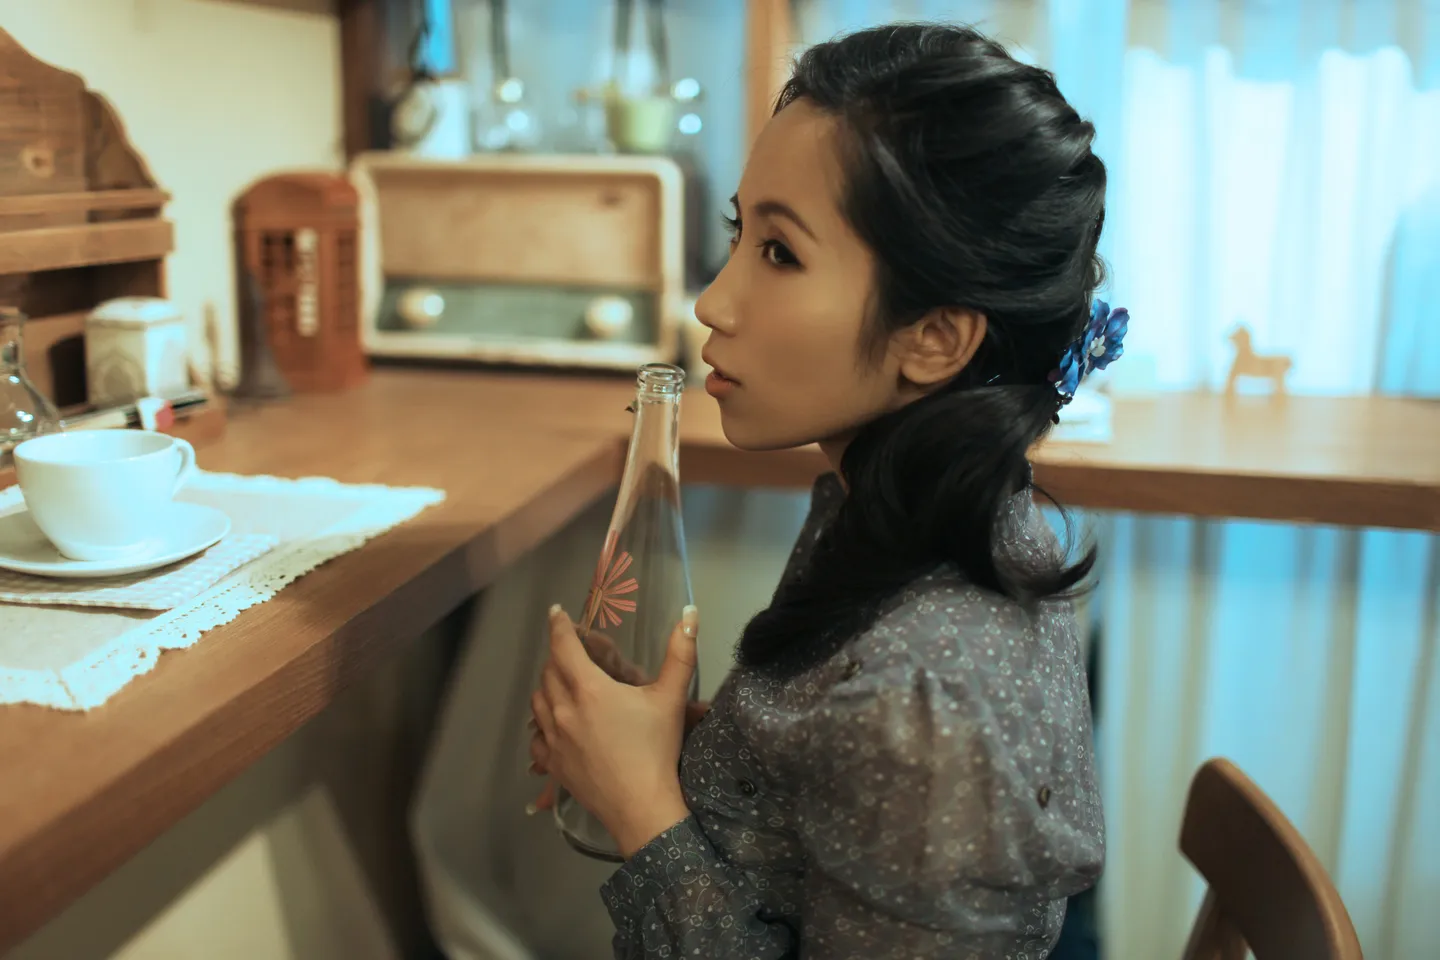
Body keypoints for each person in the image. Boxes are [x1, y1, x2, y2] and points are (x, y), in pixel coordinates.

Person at [526, 21, 1124, 959]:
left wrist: (643, 808)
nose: (712, 303)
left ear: (934, 338)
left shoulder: (929, 697)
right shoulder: (906, 507)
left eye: (781, 254)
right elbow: (831, 803)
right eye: (741, 233)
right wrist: (668, 751)